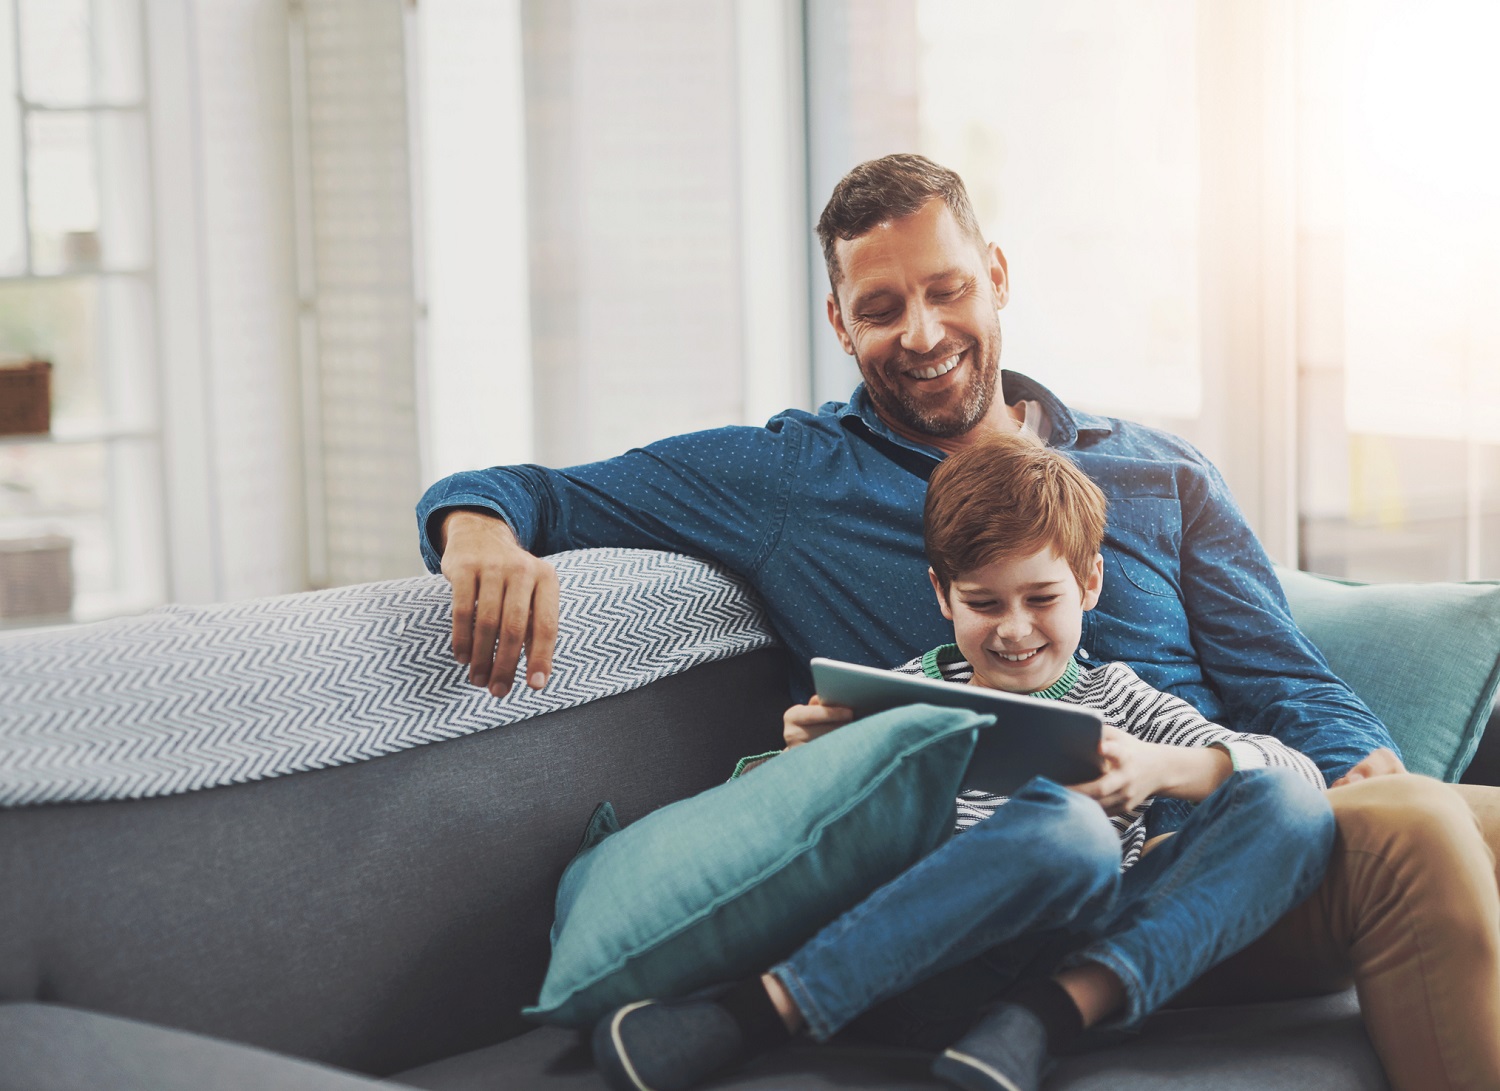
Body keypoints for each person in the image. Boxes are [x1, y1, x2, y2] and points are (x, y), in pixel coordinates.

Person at [418, 154, 1500, 1089]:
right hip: (1025, 865)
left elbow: (1284, 676)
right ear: (840, 322)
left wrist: (1359, 759)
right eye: (882, 308)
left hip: (1217, 830)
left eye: (945, 290)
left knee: (1408, 807)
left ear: (997, 277)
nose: (922, 333)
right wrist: (477, 534)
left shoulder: (1155, 470)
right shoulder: (790, 481)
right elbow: (528, 489)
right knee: (1419, 832)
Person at [588, 431, 1335, 1091]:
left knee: (1293, 807)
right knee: (1070, 830)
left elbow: (1296, 776)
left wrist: (1161, 768)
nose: (1015, 630)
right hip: (921, 962)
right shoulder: (904, 695)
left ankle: (1046, 1018)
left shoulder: (1122, 699)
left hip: (1076, 964)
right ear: (943, 596)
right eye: (985, 603)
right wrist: (803, 766)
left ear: (1091, 584)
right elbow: (755, 835)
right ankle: (765, 1008)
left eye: (1042, 597)